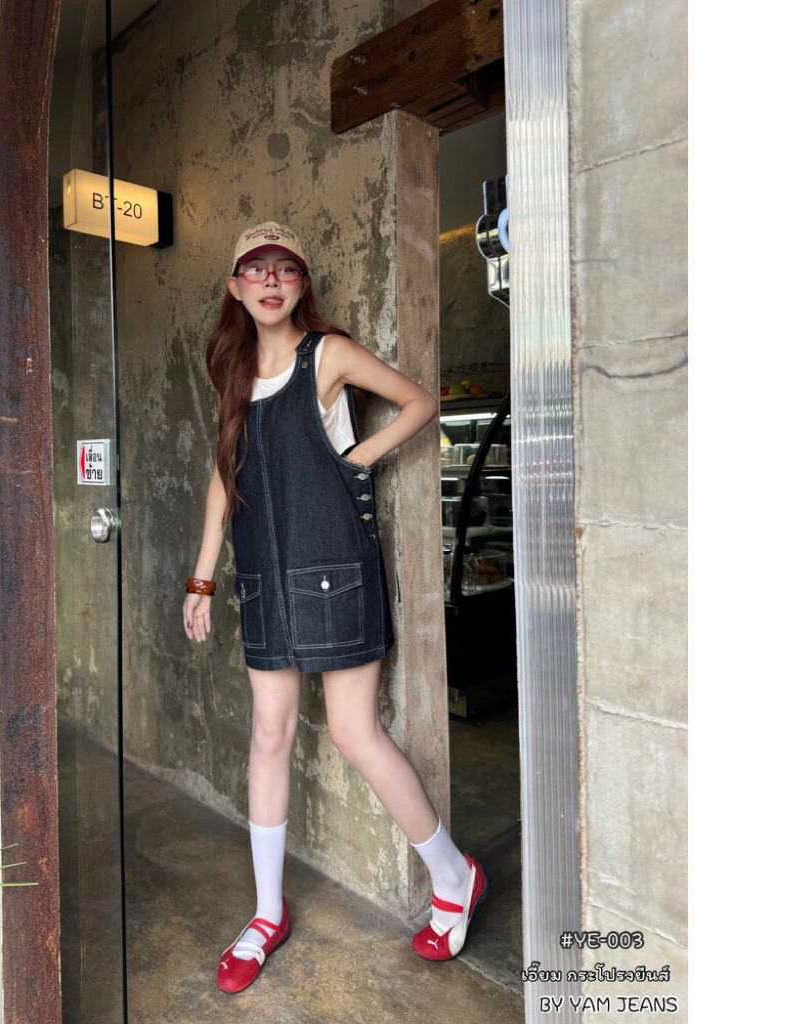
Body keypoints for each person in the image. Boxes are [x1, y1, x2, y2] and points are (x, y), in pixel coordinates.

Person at [182, 221, 487, 995]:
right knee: (269, 734)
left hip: (334, 574)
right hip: (264, 578)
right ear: (236, 287)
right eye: (256, 269)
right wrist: (202, 578)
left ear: (301, 283)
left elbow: (417, 403)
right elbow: (223, 476)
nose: (270, 280)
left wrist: (358, 458)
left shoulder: (329, 355)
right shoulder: (234, 374)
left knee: (354, 732)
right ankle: (266, 914)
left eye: (285, 268)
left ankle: (455, 876)